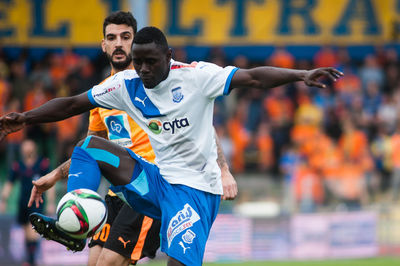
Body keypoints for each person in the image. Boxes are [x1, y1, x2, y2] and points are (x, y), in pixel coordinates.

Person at [0, 26, 343, 265]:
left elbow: (253, 77)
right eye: (139, 61)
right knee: (91, 146)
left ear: (168, 55)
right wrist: (26, 118)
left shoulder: (196, 77)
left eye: (152, 61)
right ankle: (78, 219)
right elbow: (74, 103)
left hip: (195, 191)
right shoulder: (125, 83)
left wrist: (300, 74)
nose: (144, 69)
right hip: (156, 181)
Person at [26, 12, 237, 266]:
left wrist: (223, 169)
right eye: (111, 38)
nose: (118, 44)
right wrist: (55, 175)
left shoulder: (157, 81)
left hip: (154, 186)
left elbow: (201, 127)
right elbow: (92, 148)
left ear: (135, 43)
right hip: (119, 191)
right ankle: (74, 221)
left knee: (108, 263)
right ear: (103, 45)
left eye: (126, 37)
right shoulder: (102, 96)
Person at [0, 139, 53, 266]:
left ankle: (31, 260)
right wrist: (3, 200)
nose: (27, 149)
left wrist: (51, 202)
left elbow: (50, 184)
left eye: (29, 146)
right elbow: (9, 183)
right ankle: (29, 258)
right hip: (23, 202)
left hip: (37, 202)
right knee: (26, 231)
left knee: (32, 230)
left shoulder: (42, 164)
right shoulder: (18, 165)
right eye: (25, 146)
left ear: (34, 148)